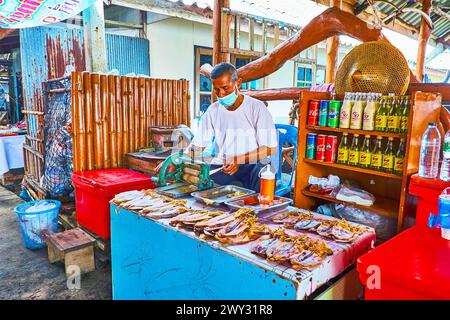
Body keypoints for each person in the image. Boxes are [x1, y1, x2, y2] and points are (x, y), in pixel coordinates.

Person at [187, 62, 278, 192]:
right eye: (216, 89)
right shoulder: (213, 110)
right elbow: (198, 145)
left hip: (253, 163)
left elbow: (270, 147)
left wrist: (240, 159)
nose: (221, 94)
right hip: (224, 165)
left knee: (265, 171)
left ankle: (259, 210)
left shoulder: (256, 107)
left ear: (238, 83)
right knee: (202, 181)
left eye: (225, 88)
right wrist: (178, 159)